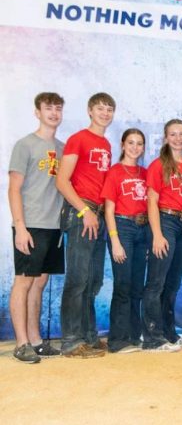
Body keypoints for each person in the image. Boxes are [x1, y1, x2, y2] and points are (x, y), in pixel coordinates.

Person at [56, 92, 115, 358]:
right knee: (78, 278)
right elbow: (62, 180)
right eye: (100, 108)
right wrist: (84, 211)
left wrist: (97, 213)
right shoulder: (78, 139)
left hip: (99, 213)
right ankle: (70, 340)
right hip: (82, 212)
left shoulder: (106, 144)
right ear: (90, 111)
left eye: (109, 109)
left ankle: (89, 337)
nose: (105, 113)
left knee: (93, 280)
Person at [8, 92, 66, 363]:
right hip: (30, 224)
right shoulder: (25, 145)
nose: (54, 113)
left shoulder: (63, 147)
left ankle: (36, 340)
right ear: (37, 112)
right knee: (24, 281)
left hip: (54, 226)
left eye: (58, 109)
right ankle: (21, 343)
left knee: (40, 282)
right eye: (48, 108)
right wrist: (20, 227)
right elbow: (14, 188)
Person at [143, 119, 182, 352]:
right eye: (173, 134)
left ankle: (168, 331)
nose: (178, 138)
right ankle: (152, 336)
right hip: (165, 222)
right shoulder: (158, 165)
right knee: (156, 282)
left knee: (173, 283)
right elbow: (152, 200)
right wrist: (156, 234)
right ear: (166, 138)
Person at [101, 128, 148, 354]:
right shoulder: (115, 172)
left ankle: (133, 335)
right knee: (123, 285)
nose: (135, 147)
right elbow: (108, 210)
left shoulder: (146, 173)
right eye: (131, 142)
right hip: (122, 228)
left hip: (142, 230)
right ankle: (117, 340)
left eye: (139, 143)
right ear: (122, 144)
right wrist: (115, 240)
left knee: (137, 286)